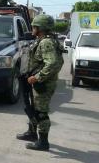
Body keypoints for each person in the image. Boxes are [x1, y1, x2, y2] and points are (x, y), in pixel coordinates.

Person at [16, 14, 64, 151]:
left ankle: (43, 142)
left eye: (34, 26)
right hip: (36, 81)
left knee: (41, 113)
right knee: (32, 107)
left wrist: (37, 77)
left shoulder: (46, 42)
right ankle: (32, 133)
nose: (32, 28)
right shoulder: (42, 39)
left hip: (43, 84)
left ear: (41, 28)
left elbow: (53, 63)